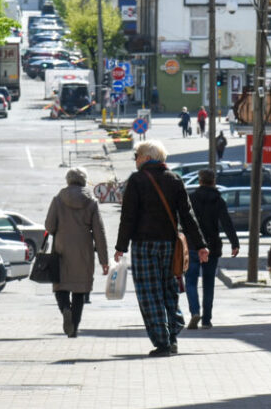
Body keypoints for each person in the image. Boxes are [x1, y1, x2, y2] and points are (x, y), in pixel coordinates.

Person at [113, 140, 207, 356]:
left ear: (146, 158)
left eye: (136, 155)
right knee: (168, 290)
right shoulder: (174, 179)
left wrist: (121, 246)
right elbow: (188, 215)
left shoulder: (136, 180)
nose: (135, 160)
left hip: (144, 245)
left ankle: (162, 342)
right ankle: (172, 334)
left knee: (149, 293)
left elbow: (128, 217)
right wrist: (201, 245)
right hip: (169, 245)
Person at [44, 167, 109, 338]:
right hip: (83, 251)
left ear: (68, 180)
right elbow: (99, 232)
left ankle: (65, 308)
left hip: (61, 250)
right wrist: (104, 260)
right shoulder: (91, 202)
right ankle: (74, 327)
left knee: (60, 286)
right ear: (84, 181)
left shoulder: (58, 200)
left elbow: (49, 226)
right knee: (80, 290)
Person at [185, 168, 239, 330]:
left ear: (200, 181)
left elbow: (183, 221)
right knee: (208, 283)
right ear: (213, 181)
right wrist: (234, 243)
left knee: (191, 281)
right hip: (212, 246)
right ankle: (206, 320)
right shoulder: (218, 200)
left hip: (193, 245)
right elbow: (226, 222)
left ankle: (195, 311)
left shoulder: (191, 199)